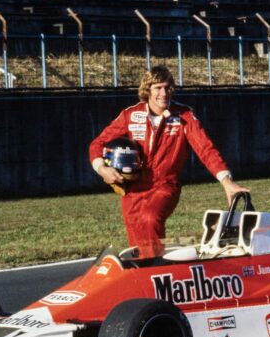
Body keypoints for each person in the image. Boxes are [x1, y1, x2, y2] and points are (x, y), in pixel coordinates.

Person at [89, 65, 248, 258]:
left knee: (150, 219)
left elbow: (206, 149)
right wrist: (102, 168)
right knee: (137, 239)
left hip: (165, 186)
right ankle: (146, 273)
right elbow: (98, 143)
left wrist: (226, 181)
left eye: (168, 87)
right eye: (157, 88)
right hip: (133, 189)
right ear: (147, 90)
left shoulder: (184, 116)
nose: (164, 93)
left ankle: (154, 272)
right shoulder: (130, 115)